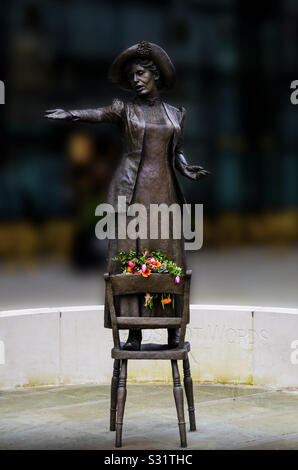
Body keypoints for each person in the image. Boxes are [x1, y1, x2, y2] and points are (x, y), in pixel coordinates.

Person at [45, 41, 209, 350]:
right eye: (132, 75)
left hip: (165, 192)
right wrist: (71, 115)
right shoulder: (125, 109)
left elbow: (177, 153)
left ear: (155, 76)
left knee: (168, 257)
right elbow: (98, 113)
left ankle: (173, 328)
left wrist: (187, 170)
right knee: (132, 257)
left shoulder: (176, 114)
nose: (135, 80)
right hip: (132, 192)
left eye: (141, 73)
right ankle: (134, 330)